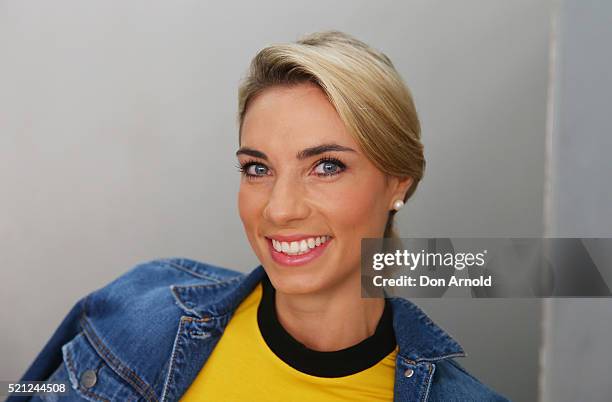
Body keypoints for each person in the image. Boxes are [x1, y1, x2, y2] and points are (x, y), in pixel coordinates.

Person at [11, 31, 509, 401]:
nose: (280, 208)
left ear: (397, 181)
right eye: (257, 168)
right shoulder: (141, 305)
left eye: (326, 166)